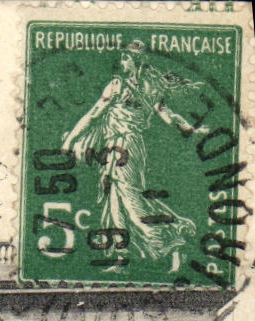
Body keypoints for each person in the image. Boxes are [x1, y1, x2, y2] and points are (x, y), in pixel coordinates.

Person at [60, 40, 207, 271]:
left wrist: (70, 141)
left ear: (135, 60)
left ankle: (173, 235)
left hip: (122, 147)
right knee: (118, 198)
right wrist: (190, 129)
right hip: (125, 147)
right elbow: (169, 116)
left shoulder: (118, 85)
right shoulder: (152, 87)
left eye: (125, 58)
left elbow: (93, 114)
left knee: (129, 199)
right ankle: (123, 254)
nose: (122, 62)